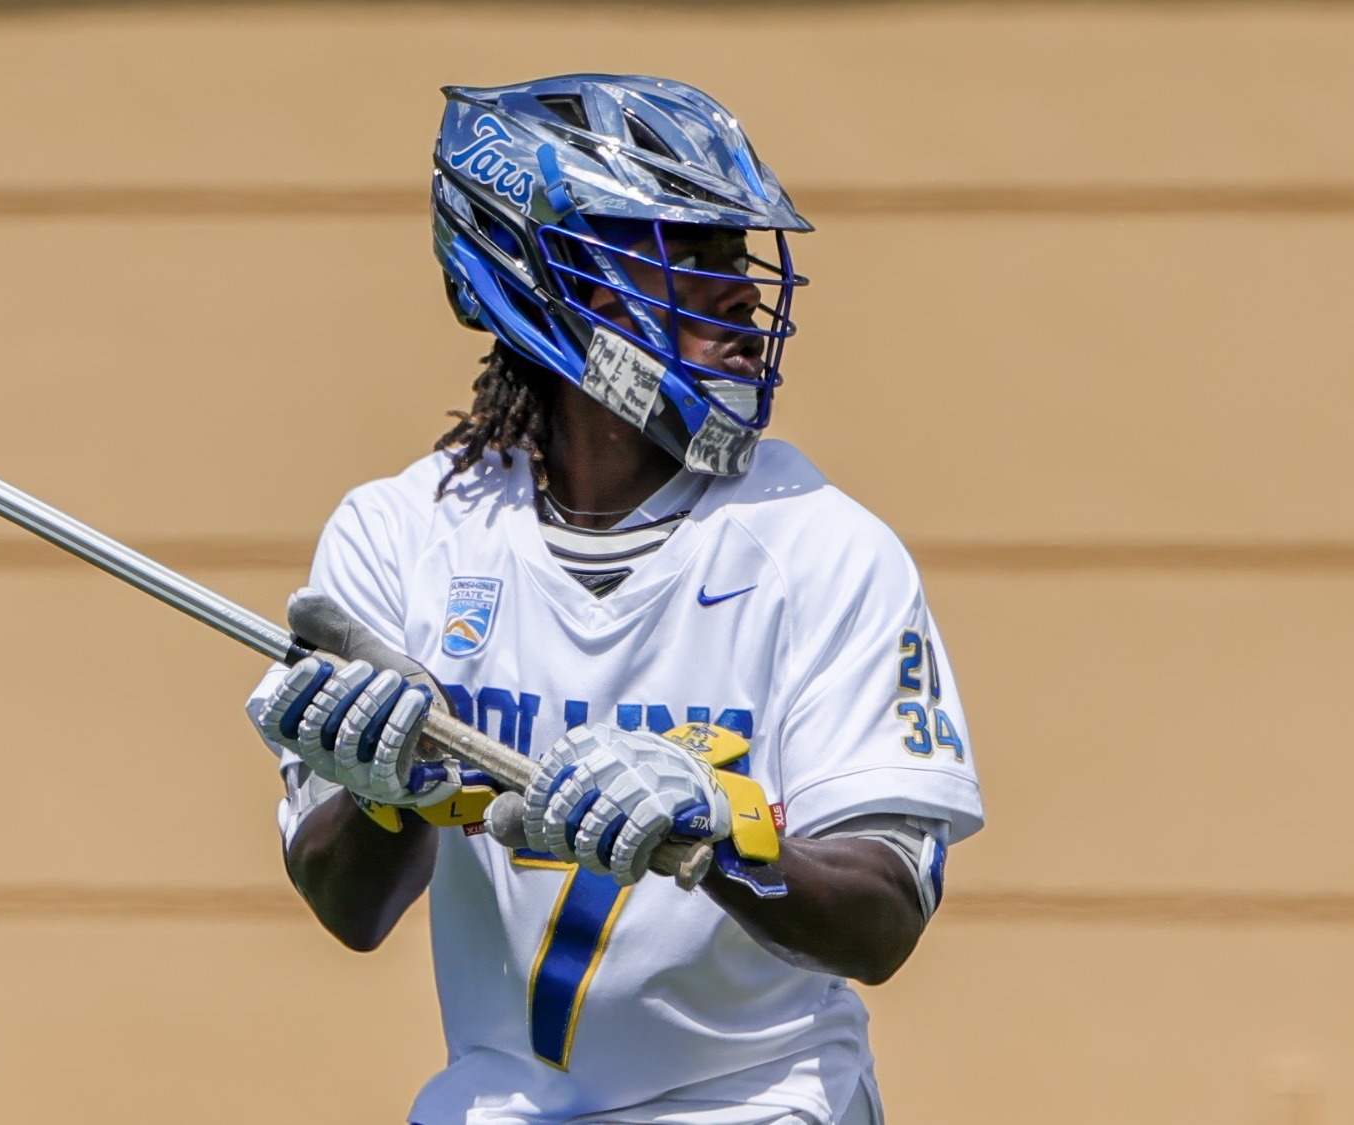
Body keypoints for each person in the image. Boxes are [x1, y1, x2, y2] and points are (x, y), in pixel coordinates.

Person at [246, 75, 984, 1125]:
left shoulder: (823, 547)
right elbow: (347, 907)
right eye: (688, 256)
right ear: (551, 282)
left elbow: (881, 918)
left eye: (739, 261)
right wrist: (381, 791)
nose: (741, 297)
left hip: (756, 1105)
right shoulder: (401, 535)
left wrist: (726, 835)